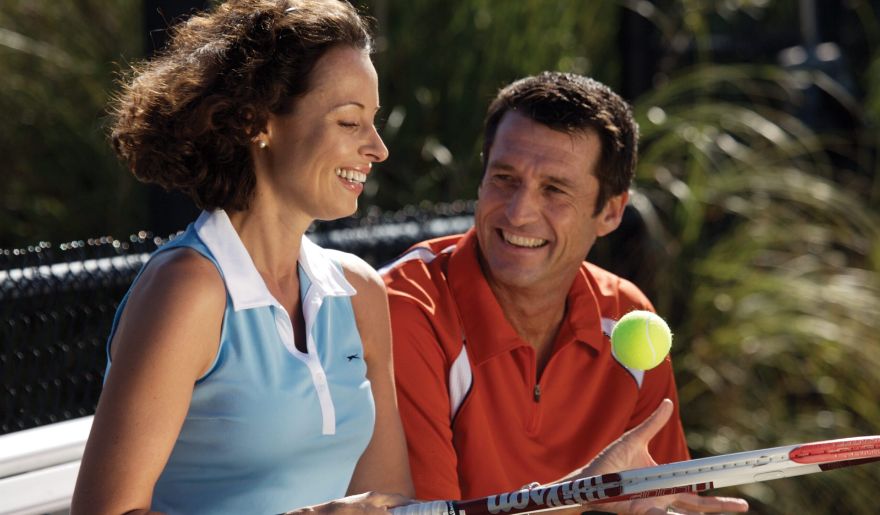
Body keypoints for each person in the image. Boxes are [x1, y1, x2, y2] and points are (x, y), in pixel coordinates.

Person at [71, 1, 413, 513]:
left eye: (373, 121)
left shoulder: (360, 292)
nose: (378, 147)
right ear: (259, 123)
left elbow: (391, 503)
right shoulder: (188, 289)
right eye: (349, 122)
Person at [381, 72, 749, 514]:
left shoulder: (628, 317)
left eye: (554, 189)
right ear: (480, 182)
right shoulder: (403, 309)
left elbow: (658, 503)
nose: (519, 213)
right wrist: (579, 498)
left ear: (610, 212)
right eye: (504, 178)